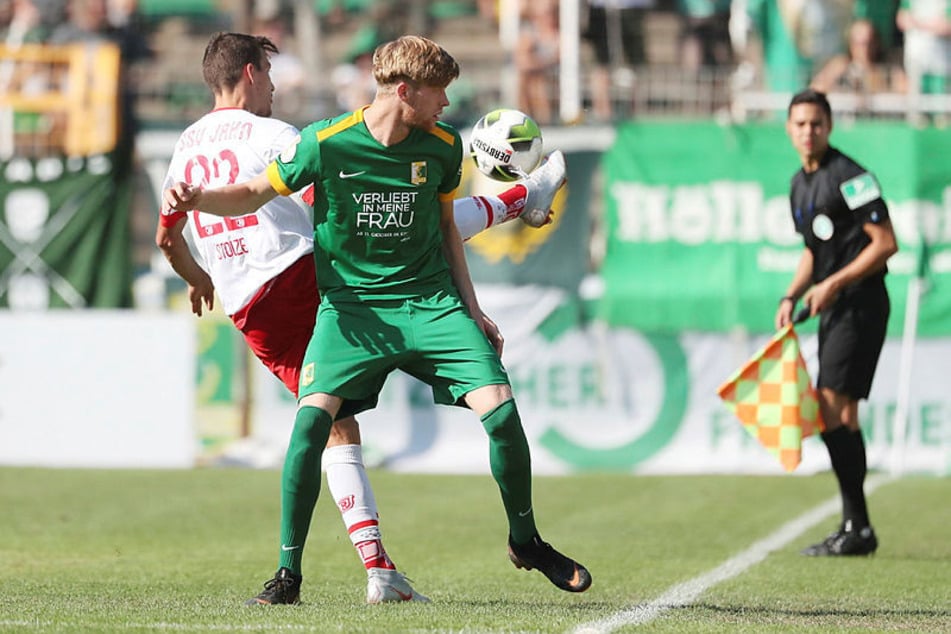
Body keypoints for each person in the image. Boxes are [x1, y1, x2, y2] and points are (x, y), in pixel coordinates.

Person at [157, 32, 572, 605]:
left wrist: (195, 274)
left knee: (330, 424)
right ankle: (519, 197)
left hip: (249, 303)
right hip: (312, 281)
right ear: (251, 72)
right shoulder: (288, 136)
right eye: (270, 76)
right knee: (331, 416)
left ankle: (372, 570)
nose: (276, 87)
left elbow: (168, 233)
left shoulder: (186, 143)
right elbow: (276, 194)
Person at [776, 88, 898, 556]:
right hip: (835, 308)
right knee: (841, 415)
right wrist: (793, 293)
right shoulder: (798, 183)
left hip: (861, 303)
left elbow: (886, 242)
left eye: (816, 124)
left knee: (829, 409)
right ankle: (856, 527)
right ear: (789, 129)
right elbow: (813, 251)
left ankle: (857, 524)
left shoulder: (852, 177)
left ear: (829, 126)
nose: (809, 132)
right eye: (800, 124)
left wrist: (832, 285)